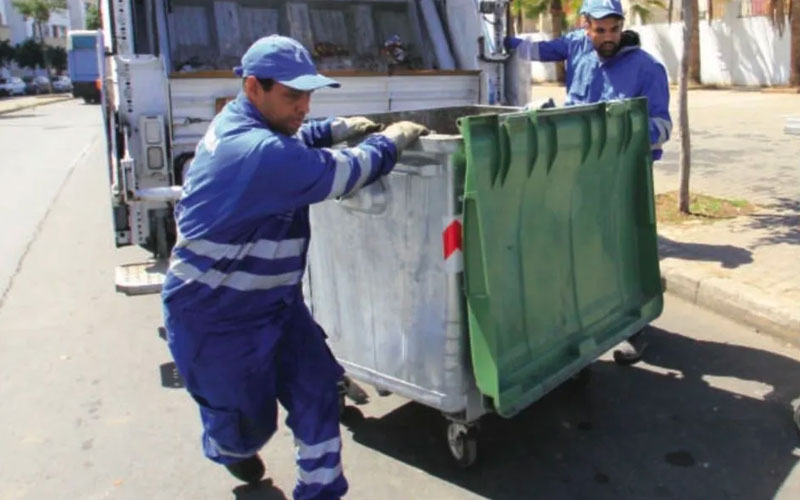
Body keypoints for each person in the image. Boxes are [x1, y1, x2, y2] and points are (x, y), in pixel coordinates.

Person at [161, 35, 427, 499]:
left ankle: (319, 491)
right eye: (292, 95)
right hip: (216, 315)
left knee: (318, 389)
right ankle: (231, 448)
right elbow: (342, 173)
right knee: (246, 423)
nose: (303, 106)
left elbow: (293, 135)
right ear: (253, 88)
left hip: (276, 304)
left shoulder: (245, 122)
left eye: (309, 95)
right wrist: (389, 141)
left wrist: (334, 126)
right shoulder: (255, 152)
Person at [505, 0, 671, 364]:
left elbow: (663, 126)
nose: (608, 38)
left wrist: (624, 129)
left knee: (621, 252)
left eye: (614, 29)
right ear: (585, 27)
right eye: (600, 31)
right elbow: (536, 50)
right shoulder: (577, 47)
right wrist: (500, 43)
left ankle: (635, 329)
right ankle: (584, 319)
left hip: (621, 175)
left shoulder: (647, 68)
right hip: (575, 173)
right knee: (577, 250)